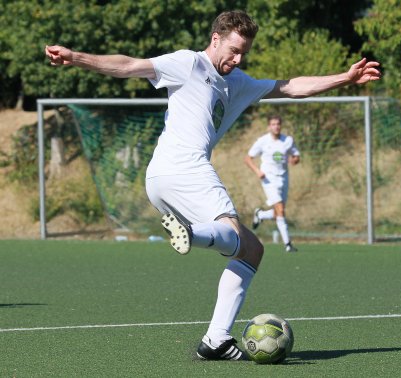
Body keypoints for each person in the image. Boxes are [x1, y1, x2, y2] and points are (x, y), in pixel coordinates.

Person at [45, 10, 380, 361]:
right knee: (232, 234)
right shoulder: (189, 64)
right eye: (233, 50)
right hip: (184, 168)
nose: (237, 59)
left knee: (251, 249)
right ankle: (193, 233)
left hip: (162, 177)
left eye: (243, 53)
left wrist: (345, 77)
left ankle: (216, 340)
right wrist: (75, 58)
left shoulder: (238, 82)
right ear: (215, 39)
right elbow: (129, 66)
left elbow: (290, 86)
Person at [244, 115, 300, 252]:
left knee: (278, 212)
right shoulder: (262, 141)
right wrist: (258, 171)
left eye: (278, 124)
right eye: (273, 124)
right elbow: (248, 158)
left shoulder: (287, 141)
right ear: (269, 127)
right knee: (280, 209)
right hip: (268, 179)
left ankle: (260, 215)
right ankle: (288, 244)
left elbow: (296, 156)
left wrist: (294, 160)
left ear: (281, 126)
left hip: (283, 178)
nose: (276, 126)